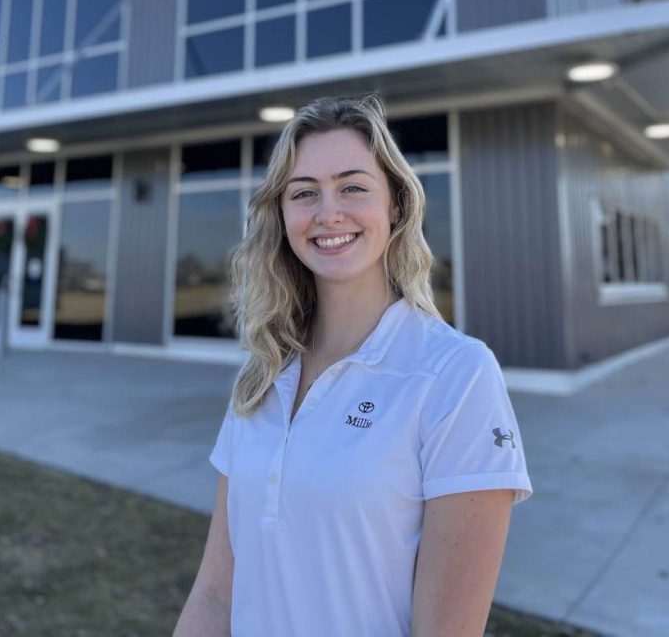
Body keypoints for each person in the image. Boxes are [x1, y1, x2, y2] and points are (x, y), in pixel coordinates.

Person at [173, 93, 533, 637]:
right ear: (282, 215)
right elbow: (217, 593)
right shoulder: (263, 373)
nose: (328, 213)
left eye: (353, 187)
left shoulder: (455, 374)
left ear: (396, 206)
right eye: (304, 193)